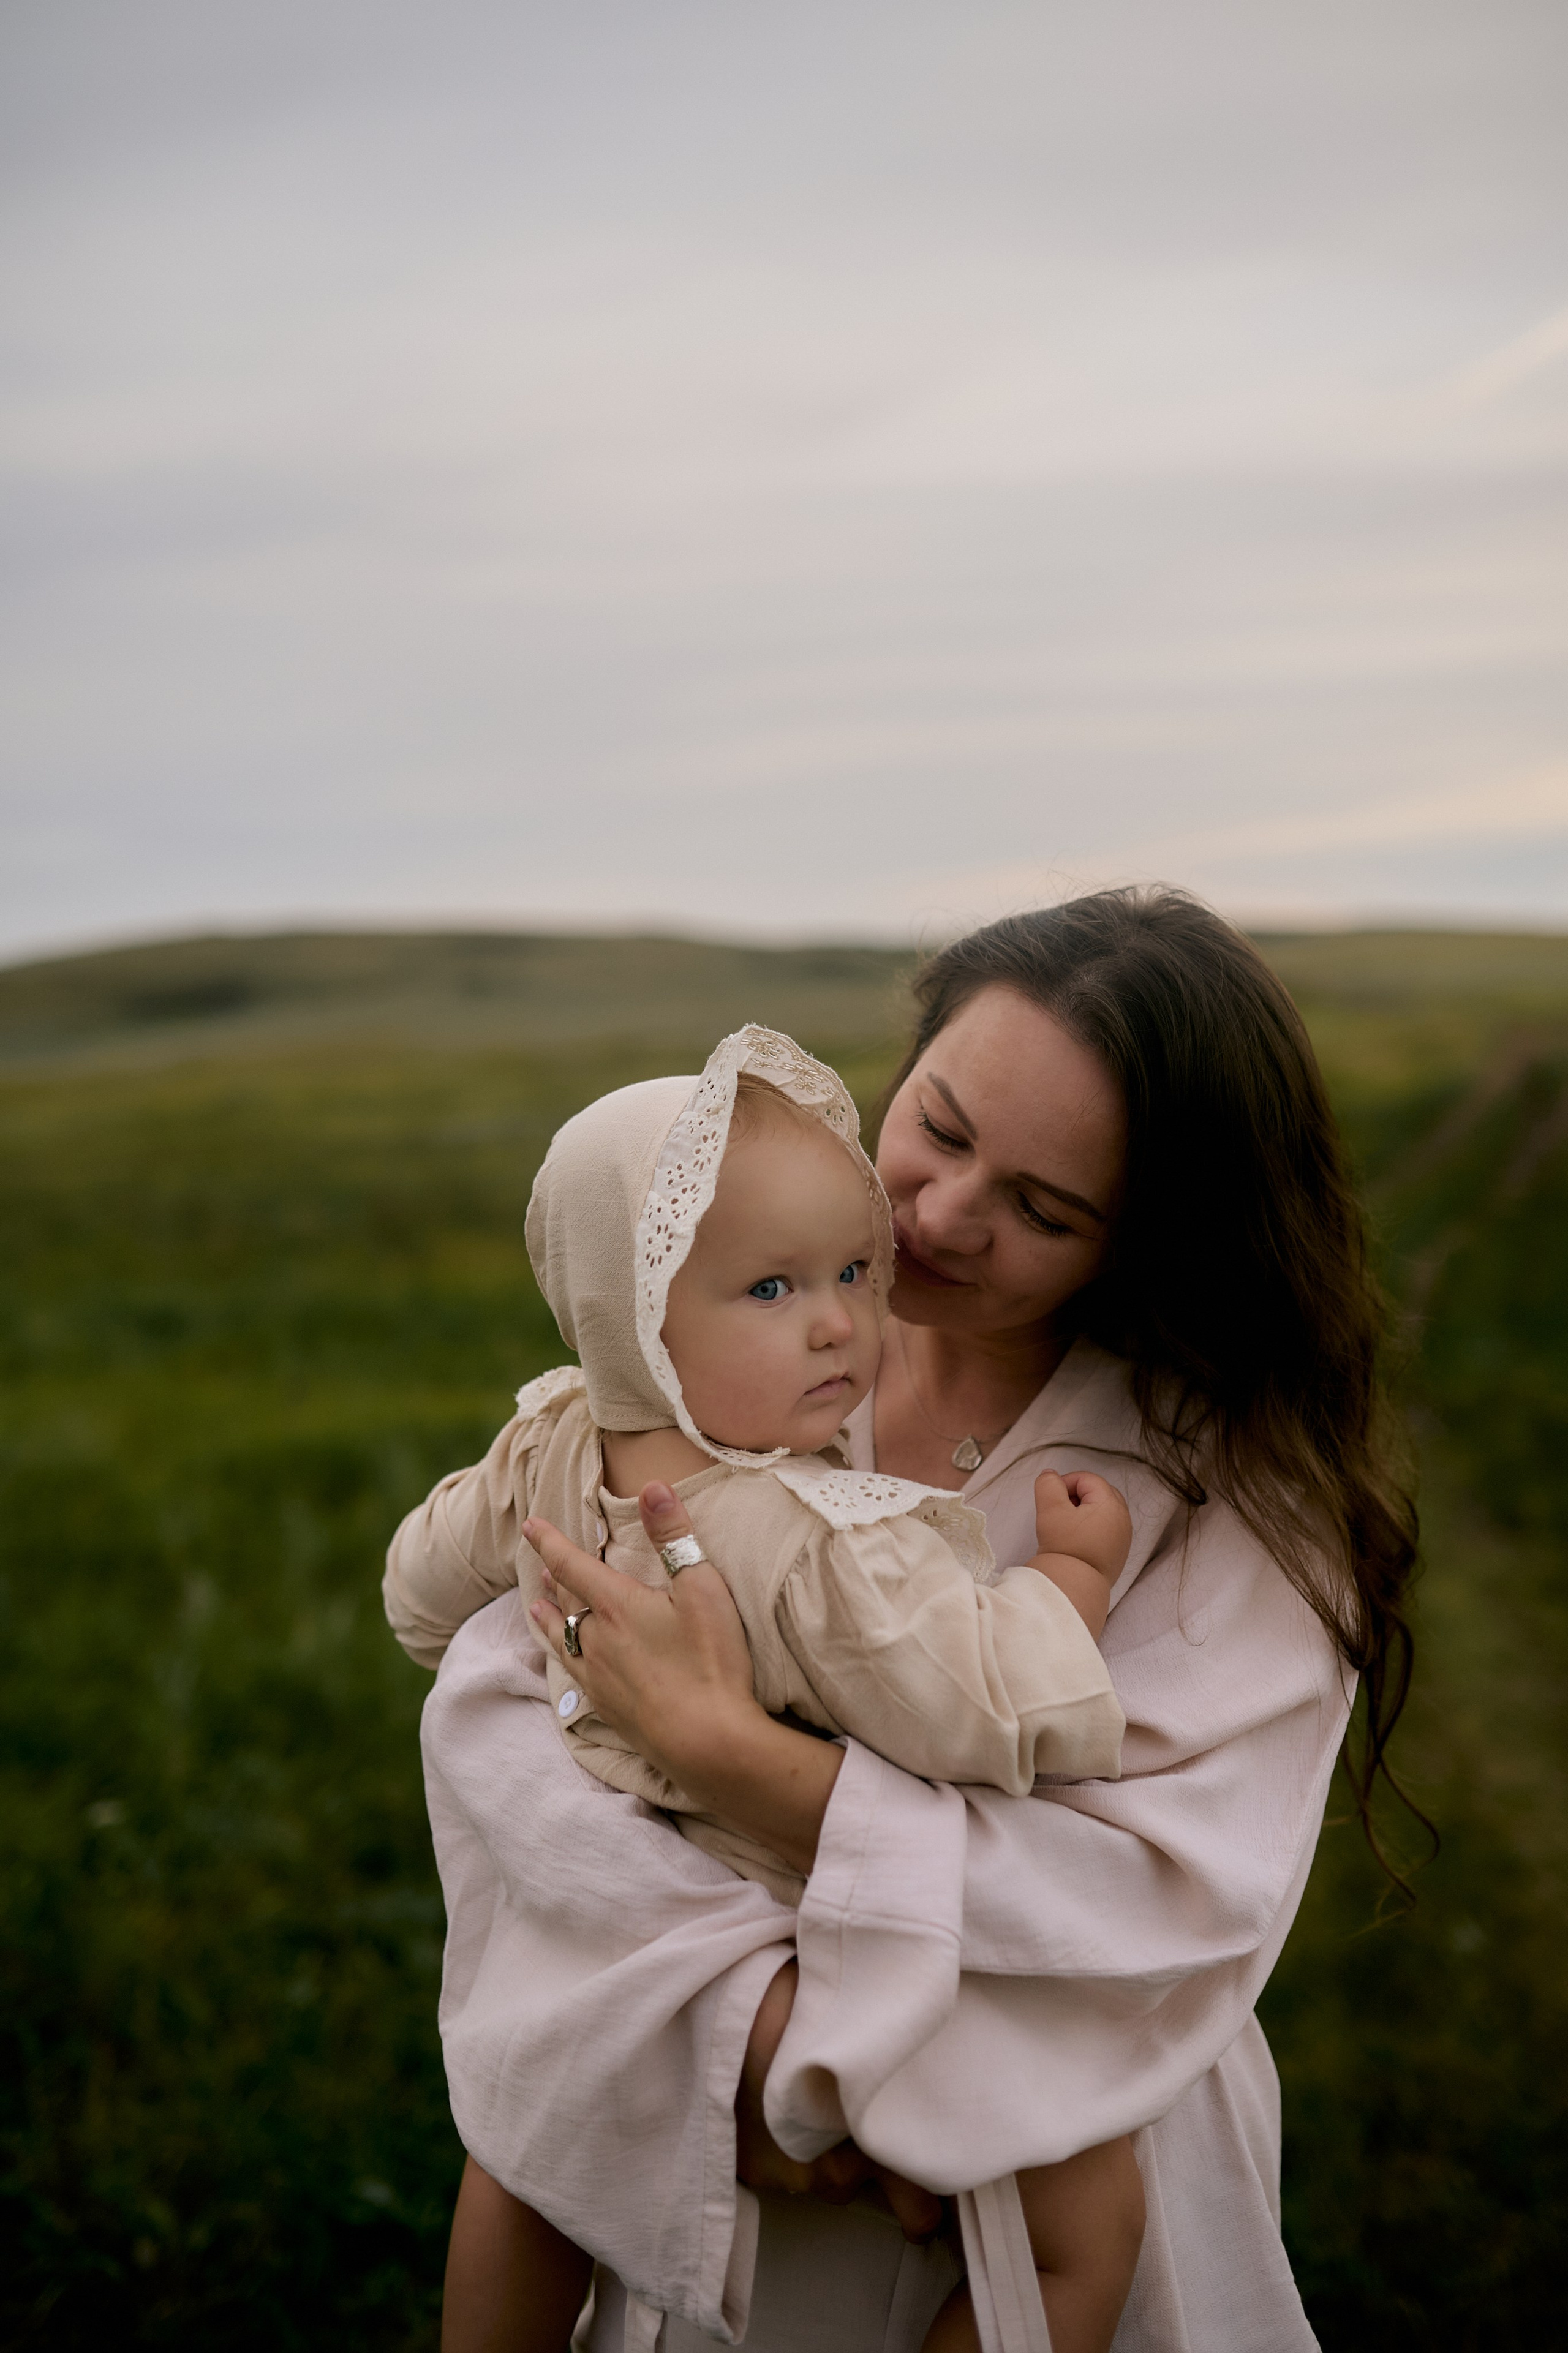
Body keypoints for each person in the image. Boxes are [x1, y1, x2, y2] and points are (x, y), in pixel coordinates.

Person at [395, 889, 1419, 2353]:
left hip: (1058, 2127)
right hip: (701, 2113)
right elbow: (502, 1707)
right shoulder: (753, 1361)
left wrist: (741, 1762)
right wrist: (740, 2035)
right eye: (935, 1128)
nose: (936, 1218)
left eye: (1042, 1209)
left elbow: (1162, 1902)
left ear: (1152, 1241)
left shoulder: (1224, 1500)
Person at [387, 1028, 1142, 2352]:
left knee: (522, 2144)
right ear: (640, 1316)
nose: (843, 1318)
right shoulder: (810, 1545)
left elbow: (417, 1592)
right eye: (773, 1288)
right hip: (793, 1918)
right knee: (1087, 2219)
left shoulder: (545, 1453)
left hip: (612, 1924)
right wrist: (1069, 1576)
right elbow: (1000, 1707)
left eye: (851, 1269)